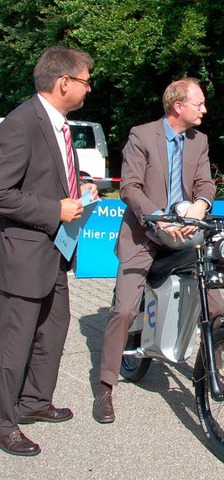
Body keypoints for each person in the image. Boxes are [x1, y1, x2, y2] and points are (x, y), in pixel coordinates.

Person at [92, 78, 224, 423]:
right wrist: (159, 220)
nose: (205, 110)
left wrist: (200, 205)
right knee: (123, 310)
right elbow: (131, 188)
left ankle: (216, 370)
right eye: (200, 103)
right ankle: (105, 387)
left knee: (217, 305)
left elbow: (206, 182)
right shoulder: (142, 135)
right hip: (144, 234)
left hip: (183, 233)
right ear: (178, 105)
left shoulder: (200, 141)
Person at [0, 45, 98, 456]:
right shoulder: (22, 122)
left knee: (53, 330)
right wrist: (54, 208)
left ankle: (34, 402)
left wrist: (82, 189)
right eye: (86, 81)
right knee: (14, 342)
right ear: (64, 82)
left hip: (55, 252)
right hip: (24, 254)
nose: (89, 89)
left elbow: (48, 175)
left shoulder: (58, 124)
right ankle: (4, 423)